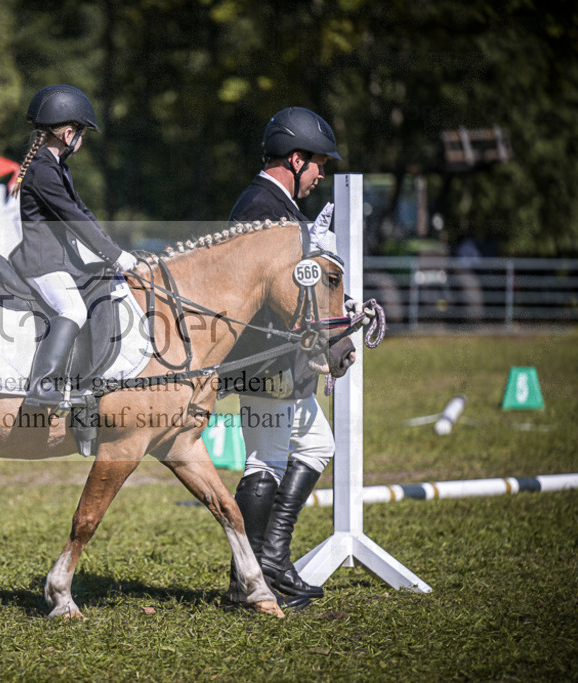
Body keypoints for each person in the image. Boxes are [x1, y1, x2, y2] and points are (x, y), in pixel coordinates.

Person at [222, 106, 342, 609]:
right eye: (317, 164)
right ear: (295, 158)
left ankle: (272, 561)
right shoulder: (261, 207)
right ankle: (248, 579)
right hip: (261, 357)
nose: (319, 174)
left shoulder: (278, 205)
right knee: (265, 460)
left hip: (281, 356)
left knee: (316, 446)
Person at [7, 85, 138, 408]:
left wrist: (113, 251)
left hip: (60, 261)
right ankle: (43, 385)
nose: (82, 139)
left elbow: (83, 213)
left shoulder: (56, 167)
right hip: (42, 263)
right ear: (68, 133)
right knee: (73, 309)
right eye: (81, 133)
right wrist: (116, 255)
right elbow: (71, 220)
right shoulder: (42, 170)